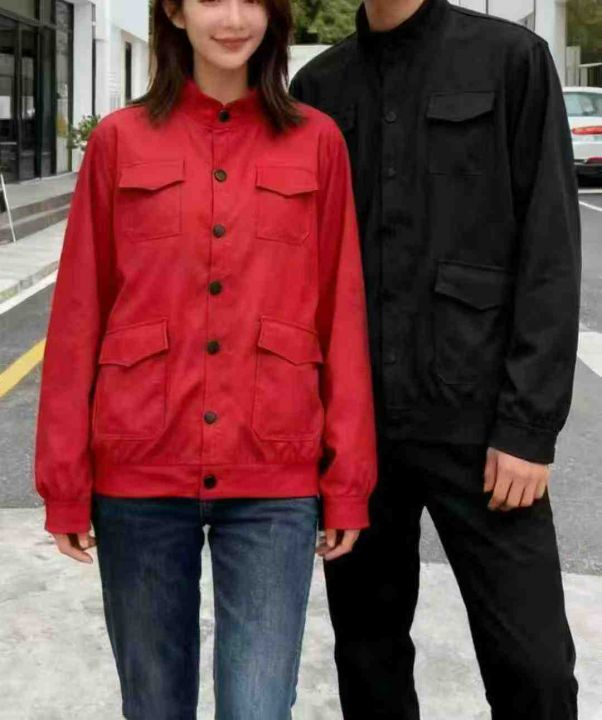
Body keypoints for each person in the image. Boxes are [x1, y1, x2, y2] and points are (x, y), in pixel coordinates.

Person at [33, 1, 378, 718]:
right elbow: (78, 315)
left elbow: (340, 314)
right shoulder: (119, 141)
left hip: (274, 471)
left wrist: (348, 479)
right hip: (140, 463)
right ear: (174, 9)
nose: (233, 18)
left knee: (259, 707)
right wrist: (64, 479)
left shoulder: (317, 142)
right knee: (154, 705)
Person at [289, 0, 581, 718]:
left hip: (482, 428)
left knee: (535, 669)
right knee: (369, 657)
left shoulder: (510, 61)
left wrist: (528, 427)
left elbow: (549, 248)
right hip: (359, 433)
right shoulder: (318, 89)